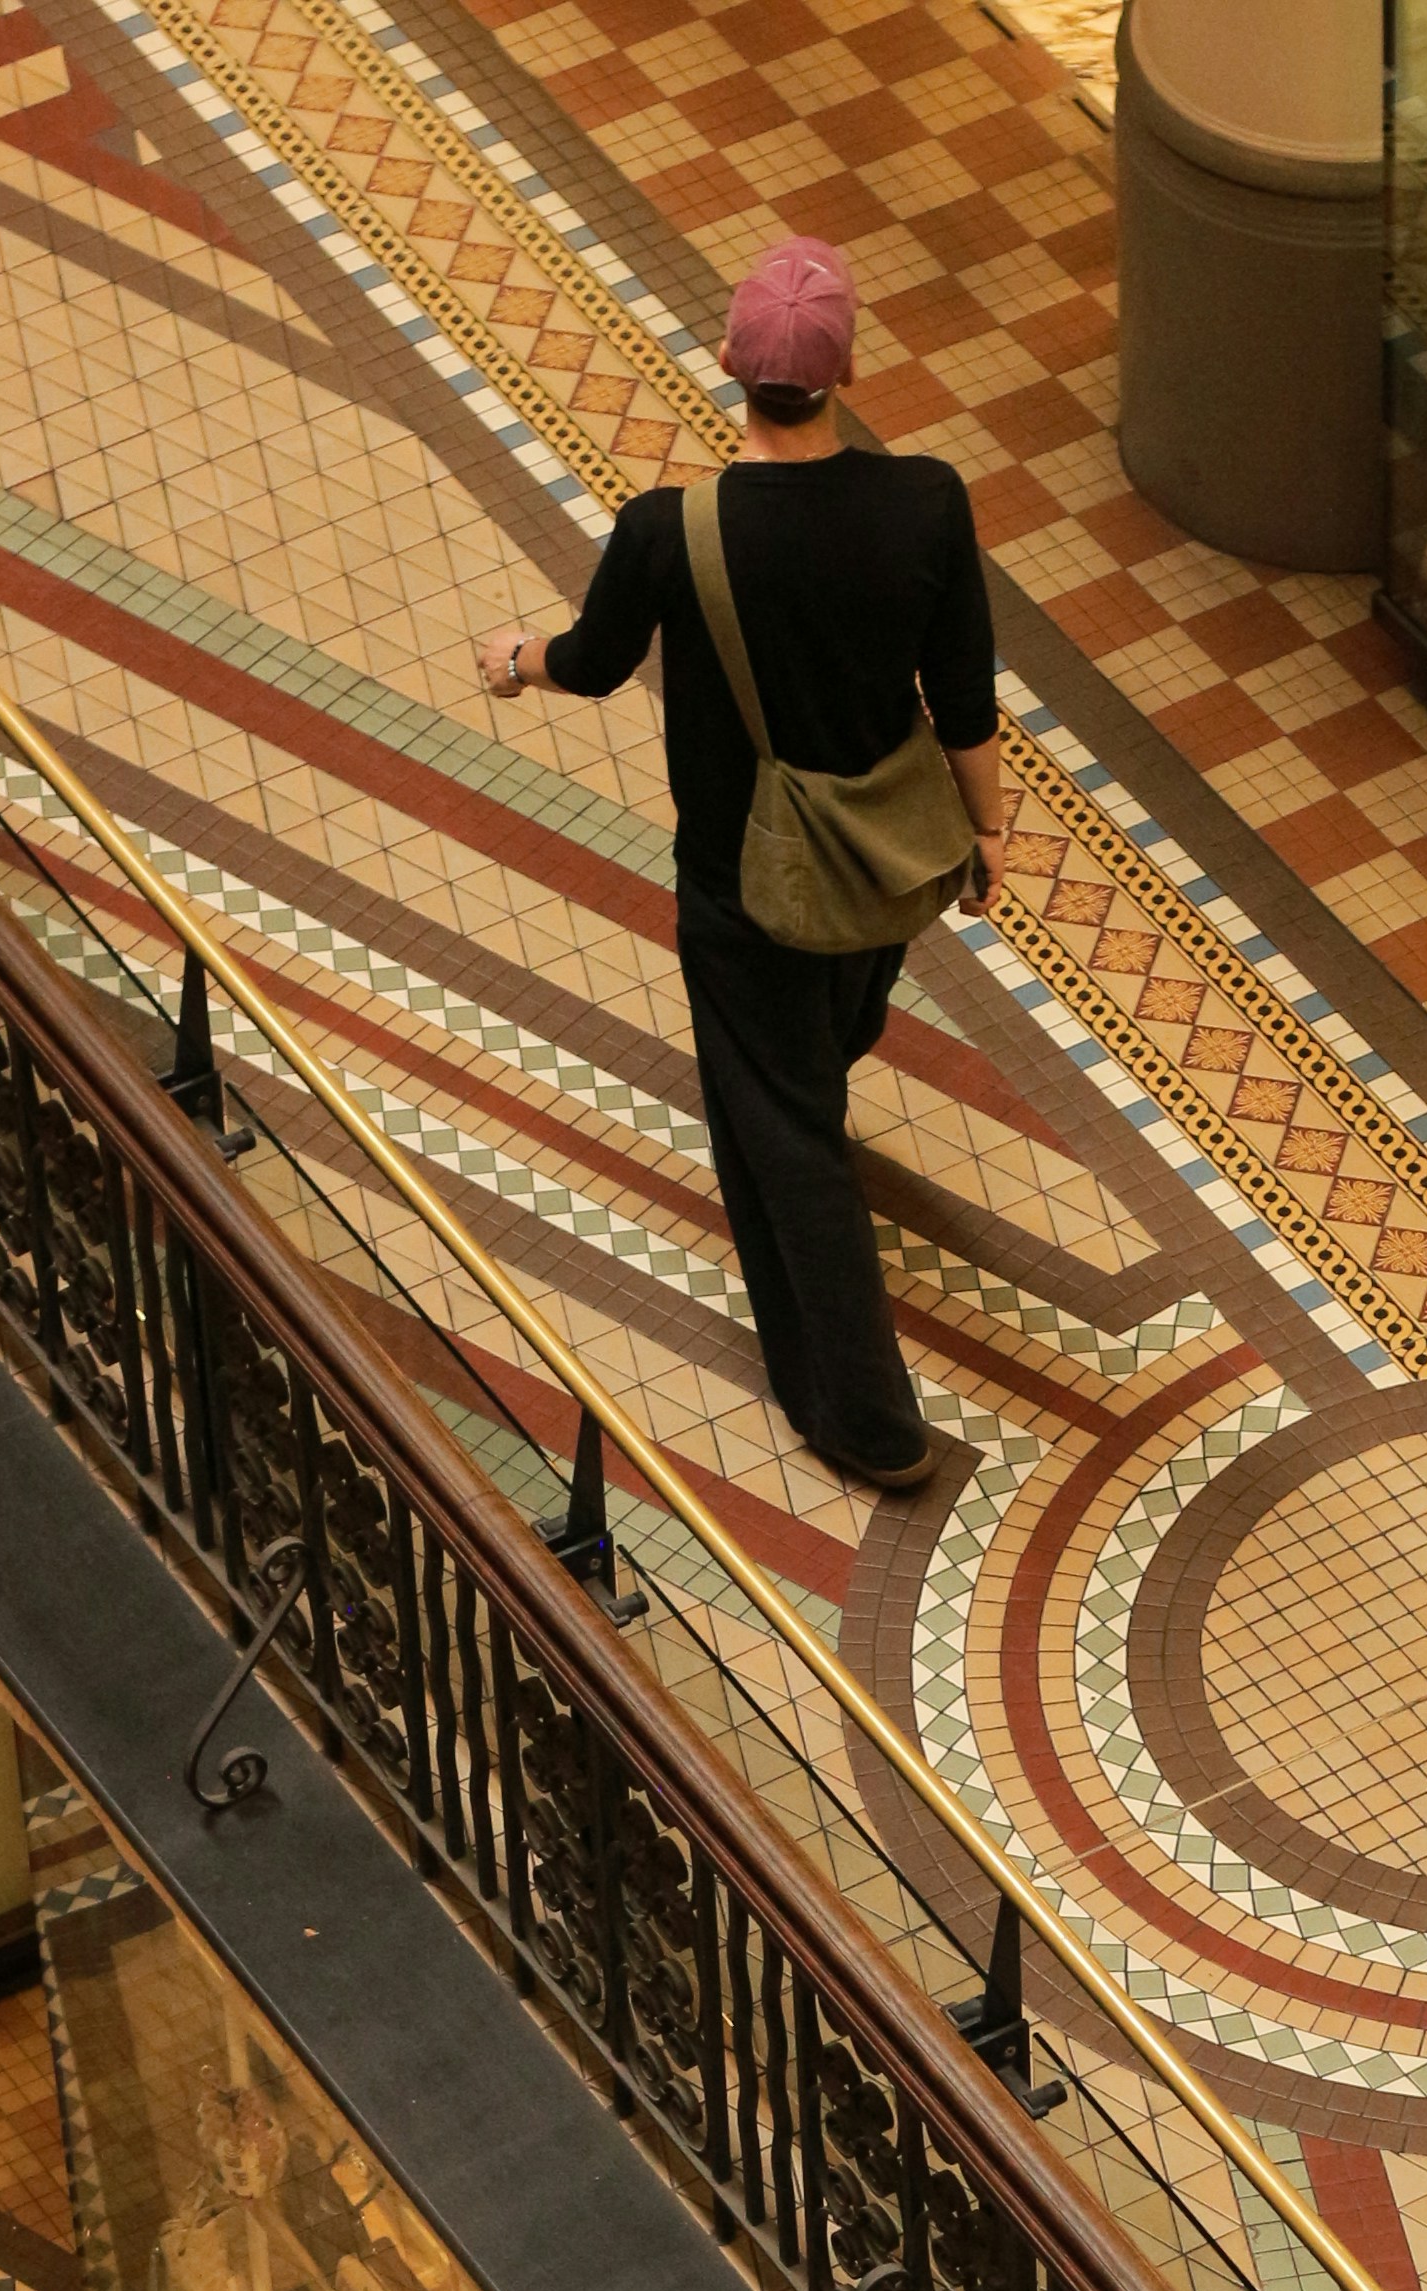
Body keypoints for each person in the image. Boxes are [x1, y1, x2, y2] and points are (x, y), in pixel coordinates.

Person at [475, 235, 1004, 1499]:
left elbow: (594, 661)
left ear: (728, 363)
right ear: (846, 368)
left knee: (786, 1131)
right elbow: (968, 700)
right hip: (885, 858)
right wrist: (990, 837)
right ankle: (817, 1054)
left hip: (742, 878)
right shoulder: (927, 500)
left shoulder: (674, 531)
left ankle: (867, 1419)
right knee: (833, 1022)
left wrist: (515, 658)